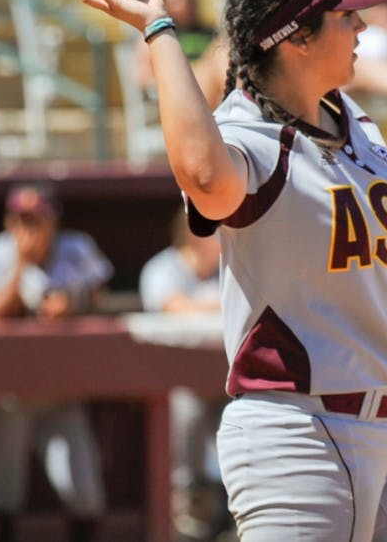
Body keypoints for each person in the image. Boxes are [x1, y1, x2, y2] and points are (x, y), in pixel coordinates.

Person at [72, 0, 387, 540]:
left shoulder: (355, 122)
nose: (363, 24)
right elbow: (205, 176)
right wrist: (159, 27)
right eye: (346, 15)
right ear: (298, 37)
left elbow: (384, 255)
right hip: (299, 437)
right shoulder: (250, 139)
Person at [0, 183, 113, 542]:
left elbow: (100, 298)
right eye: (22, 219)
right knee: (2, 498)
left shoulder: (76, 248)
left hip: (62, 391)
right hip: (7, 395)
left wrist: (72, 304)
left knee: (84, 493)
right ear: (8, 221)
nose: (29, 227)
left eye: (37, 219)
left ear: (53, 219)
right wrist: (20, 264)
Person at [139, 207, 229, 540]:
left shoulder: (232, 265)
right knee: (184, 408)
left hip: (229, 379)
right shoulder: (163, 267)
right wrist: (219, 305)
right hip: (177, 380)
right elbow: (172, 306)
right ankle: (186, 502)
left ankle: (228, 508)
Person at [133, 0, 227, 107]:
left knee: (226, 47)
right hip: (180, 93)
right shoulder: (158, 34)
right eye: (178, 0)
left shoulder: (211, 32)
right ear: (165, 3)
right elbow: (145, 78)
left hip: (215, 93)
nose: (186, 4)